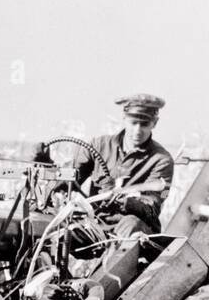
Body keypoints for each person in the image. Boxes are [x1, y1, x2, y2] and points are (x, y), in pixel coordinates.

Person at [72, 93, 174, 231]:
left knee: (131, 224)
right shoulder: (98, 145)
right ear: (124, 119)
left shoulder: (162, 160)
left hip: (134, 230)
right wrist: (43, 161)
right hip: (95, 225)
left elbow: (153, 208)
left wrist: (123, 200)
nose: (137, 130)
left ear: (155, 123)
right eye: (133, 123)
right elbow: (70, 176)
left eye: (144, 124)